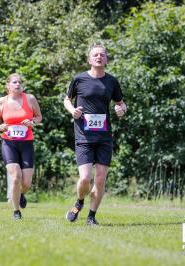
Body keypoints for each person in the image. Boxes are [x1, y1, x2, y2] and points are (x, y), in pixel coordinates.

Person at [64, 43, 127, 225]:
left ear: (106, 59)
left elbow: (121, 103)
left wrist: (122, 109)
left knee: (99, 179)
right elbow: (67, 100)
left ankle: (91, 217)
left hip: (104, 137)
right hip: (83, 136)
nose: (99, 57)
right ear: (89, 59)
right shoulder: (79, 79)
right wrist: (72, 110)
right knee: (85, 178)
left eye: (102, 55)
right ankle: (79, 202)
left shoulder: (112, 81)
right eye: (95, 55)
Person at [0, 73, 42, 220]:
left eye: (19, 82)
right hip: (9, 143)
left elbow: (39, 116)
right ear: (8, 85)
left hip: (26, 143)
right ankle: (16, 211)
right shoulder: (1, 101)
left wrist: (33, 122)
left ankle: (20, 194)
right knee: (15, 177)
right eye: (14, 82)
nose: (18, 84)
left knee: (26, 183)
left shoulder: (30, 98)